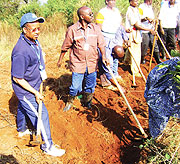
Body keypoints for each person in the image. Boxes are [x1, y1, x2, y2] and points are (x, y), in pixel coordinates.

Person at [11, 13, 65, 156]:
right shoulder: (20, 51)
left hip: (34, 83)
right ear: (24, 29)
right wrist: (35, 93)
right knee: (42, 113)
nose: (37, 32)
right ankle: (48, 146)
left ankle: (22, 130)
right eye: (33, 29)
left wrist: (42, 60)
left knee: (23, 108)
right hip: (25, 90)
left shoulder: (33, 41)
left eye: (38, 28)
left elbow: (38, 54)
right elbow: (17, 78)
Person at [57, 6, 108, 111]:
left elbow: (101, 44)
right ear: (82, 16)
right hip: (78, 63)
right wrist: (60, 60)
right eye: (89, 14)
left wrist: (104, 57)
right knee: (75, 87)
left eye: (92, 13)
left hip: (92, 63)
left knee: (90, 85)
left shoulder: (95, 28)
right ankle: (70, 101)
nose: (92, 16)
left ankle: (87, 102)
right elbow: (65, 46)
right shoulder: (72, 30)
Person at [144, 57, 180, 138]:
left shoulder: (164, 66)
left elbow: (151, 79)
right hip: (161, 101)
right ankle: (156, 137)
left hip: (159, 102)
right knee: (160, 122)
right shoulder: (168, 67)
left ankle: (156, 136)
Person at [124, 0, 155, 77]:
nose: (137, 2)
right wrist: (149, 30)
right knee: (136, 53)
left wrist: (146, 19)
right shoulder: (130, 11)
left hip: (137, 33)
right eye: (135, 1)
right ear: (131, 2)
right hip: (133, 33)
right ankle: (135, 71)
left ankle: (126, 62)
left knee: (131, 50)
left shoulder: (136, 9)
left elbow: (139, 20)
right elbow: (136, 25)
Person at [96, 0, 123, 89]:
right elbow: (99, 27)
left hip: (116, 36)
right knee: (106, 59)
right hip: (106, 37)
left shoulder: (116, 11)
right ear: (107, 1)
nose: (114, 2)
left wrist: (124, 36)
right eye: (112, 0)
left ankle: (114, 75)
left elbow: (120, 25)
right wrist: (100, 41)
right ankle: (106, 82)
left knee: (116, 57)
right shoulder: (102, 12)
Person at [98, 25, 129, 91]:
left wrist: (126, 39)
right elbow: (108, 72)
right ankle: (106, 84)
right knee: (103, 67)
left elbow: (120, 27)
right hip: (100, 49)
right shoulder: (106, 54)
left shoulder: (118, 42)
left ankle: (115, 75)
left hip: (112, 45)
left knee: (114, 63)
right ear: (113, 54)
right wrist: (119, 86)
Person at [139, 0, 162, 64]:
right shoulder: (141, 7)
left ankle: (157, 59)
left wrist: (153, 22)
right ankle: (142, 58)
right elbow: (139, 19)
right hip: (144, 30)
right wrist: (146, 19)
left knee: (154, 44)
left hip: (151, 29)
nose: (151, 1)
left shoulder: (150, 8)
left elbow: (153, 18)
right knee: (145, 45)